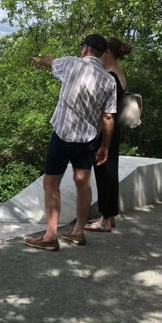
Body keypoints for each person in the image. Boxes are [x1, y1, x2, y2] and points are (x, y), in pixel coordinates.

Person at [25, 34, 117, 251]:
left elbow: (49, 62)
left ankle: (50, 236)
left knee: (51, 184)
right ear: (103, 53)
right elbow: (108, 118)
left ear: (85, 49)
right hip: (87, 140)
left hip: (62, 134)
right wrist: (105, 146)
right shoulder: (108, 79)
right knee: (83, 184)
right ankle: (78, 232)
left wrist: (37, 59)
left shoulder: (70, 64)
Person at [84, 37, 133, 232]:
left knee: (104, 173)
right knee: (108, 172)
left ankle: (105, 220)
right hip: (113, 129)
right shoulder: (119, 73)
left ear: (107, 53)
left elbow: (105, 110)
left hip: (105, 129)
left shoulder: (110, 75)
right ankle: (108, 216)